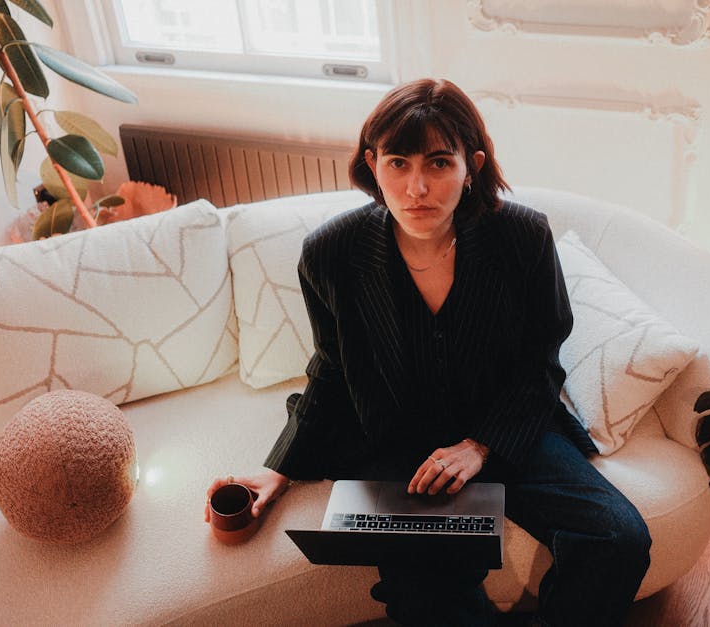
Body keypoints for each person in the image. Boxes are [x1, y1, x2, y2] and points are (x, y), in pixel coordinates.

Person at [205, 78, 651, 626]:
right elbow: (333, 369)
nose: (417, 187)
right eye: (398, 163)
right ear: (372, 164)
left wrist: (482, 445)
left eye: (439, 163)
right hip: (397, 440)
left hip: (506, 423)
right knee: (431, 598)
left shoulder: (522, 237)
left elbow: (541, 360)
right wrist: (278, 468)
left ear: (473, 166)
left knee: (617, 536)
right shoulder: (332, 253)